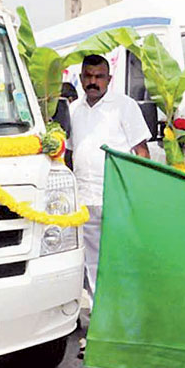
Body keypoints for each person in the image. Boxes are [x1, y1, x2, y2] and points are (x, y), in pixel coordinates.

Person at [69, 54, 151, 329]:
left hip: (117, 199)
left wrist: (137, 196)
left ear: (109, 79)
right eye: (88, 76)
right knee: (91, 265)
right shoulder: (72, 111)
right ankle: (98, 327)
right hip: (84, 200)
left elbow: (142, 152)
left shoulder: (124, 107)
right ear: (81, 79)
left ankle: (128, 323)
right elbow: (68, 154)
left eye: (99, 77)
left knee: (122, 263)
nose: (93, 82)